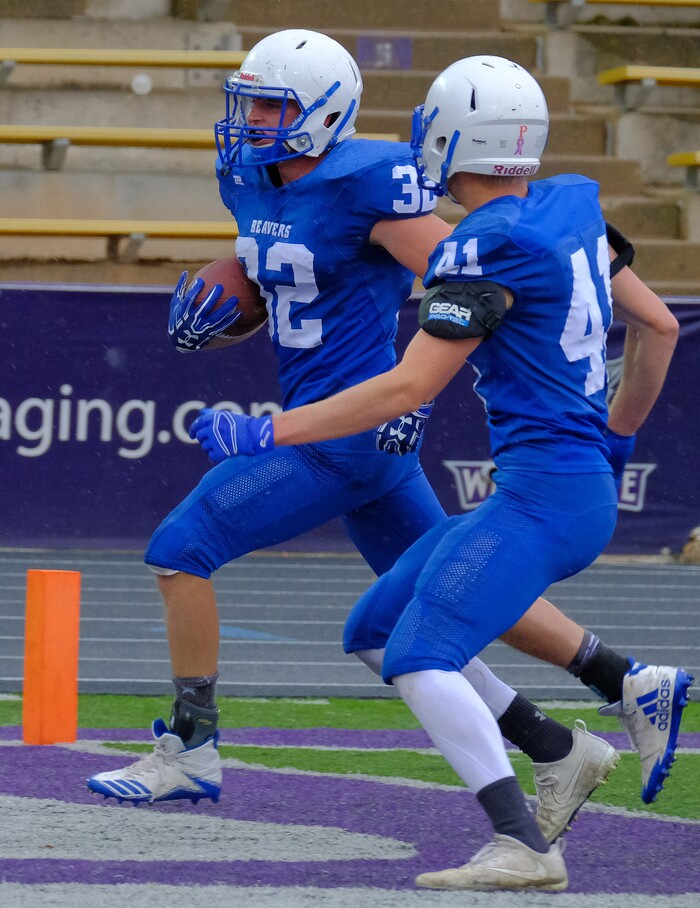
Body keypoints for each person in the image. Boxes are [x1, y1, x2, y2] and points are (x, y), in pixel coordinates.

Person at [86, 32, 686, 838]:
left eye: (272, 105)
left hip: (348, 429)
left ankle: (191, 744)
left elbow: (468, 269)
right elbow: (287, 272)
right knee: (440, 601)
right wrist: (230, 301)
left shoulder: (373, 182)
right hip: (362, 429)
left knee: (180, 548)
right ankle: (580, 720)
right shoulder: (246, 176)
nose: (251, 119)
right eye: (250, 101)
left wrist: (293, 425)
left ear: (323, 112)